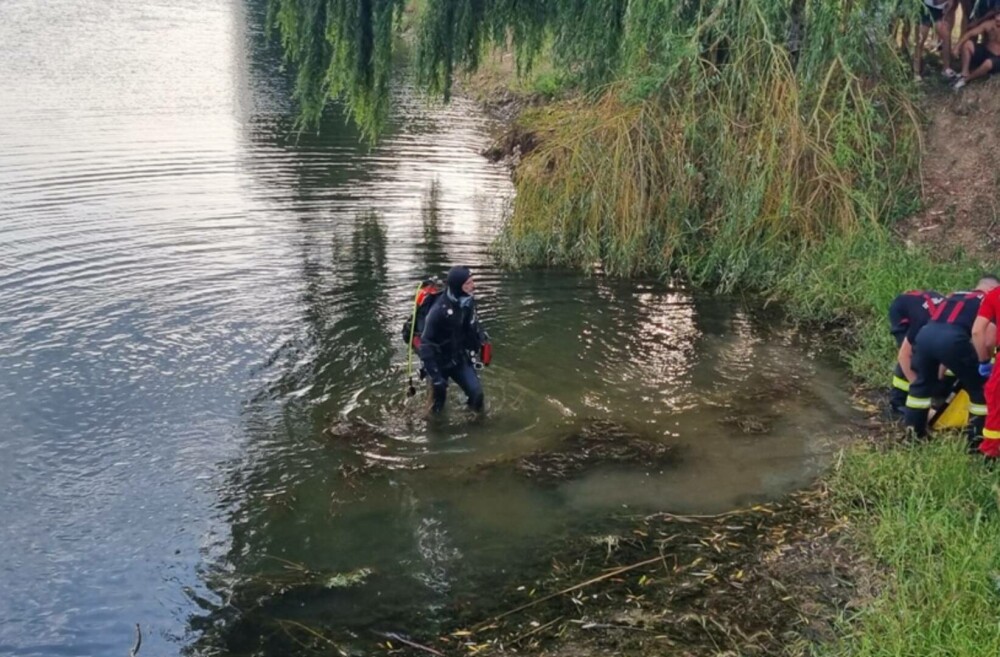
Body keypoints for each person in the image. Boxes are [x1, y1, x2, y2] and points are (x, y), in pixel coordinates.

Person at [903, 276, 1000, 449]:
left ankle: (913, 438)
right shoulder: (988, 300)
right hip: (953, 339)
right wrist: (984, 361)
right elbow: (986, 339)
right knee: (980, 390)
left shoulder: (952, 296)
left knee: (920, 388)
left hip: (925, 336)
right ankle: (976, 441)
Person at [418, 266, 490, 414]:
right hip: (438, 363)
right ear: (458, 286)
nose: (473, 286)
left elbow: (472, 325)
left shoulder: (467, 302)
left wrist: (482, 341)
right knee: (437, 407)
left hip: (459, 358)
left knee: (477, 395)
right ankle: (435, 432)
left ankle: (474, 426)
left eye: (472, 281)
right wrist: (436, 378)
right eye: (468, 283)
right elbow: (425, 345)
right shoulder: (438, 311)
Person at [889, 289, 944, 415]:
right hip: (903, 308)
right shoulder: (921, 326)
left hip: (928, 308)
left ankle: (936, 389)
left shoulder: (958, 325)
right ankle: (898, 401)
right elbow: (904, 356)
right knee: (913, 355)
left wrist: (938, 378)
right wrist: (918, 389)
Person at [972, 281, 1000, 457]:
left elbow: (977, 331)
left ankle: (991, 452)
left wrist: (984, 361)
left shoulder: (995, 295)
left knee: (996, 404)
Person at [953, 10, 1000, 88]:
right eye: (997, 16)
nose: (998, 19)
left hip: (997, 58)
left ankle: (966, 80)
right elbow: (970, 33)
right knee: (967, 44)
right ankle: (964, 72)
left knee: (988, 63)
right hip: (986, 51)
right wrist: (957, 47)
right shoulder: (989, 24)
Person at [916, 0, 957, 82]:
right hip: (925, 7)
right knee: (920, 39)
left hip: (938, 11)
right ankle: (916, 71)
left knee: (945, 35)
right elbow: (936, 1)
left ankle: (946, 68)